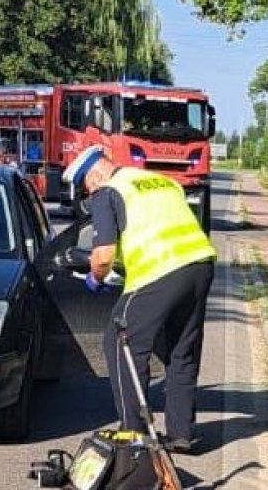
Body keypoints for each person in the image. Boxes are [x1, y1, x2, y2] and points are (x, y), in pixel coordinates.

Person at [62, 145, 216, 453]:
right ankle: (181, 433)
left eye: (86, 188)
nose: (89, 195)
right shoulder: (161, 182)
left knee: (120, 344)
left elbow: (103, 256)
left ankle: (134, 432)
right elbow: (154, 226)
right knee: (181, 350)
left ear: (95, 175)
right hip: (199, 265)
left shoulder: (108, 193)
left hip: (157, 272)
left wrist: (95, 277)